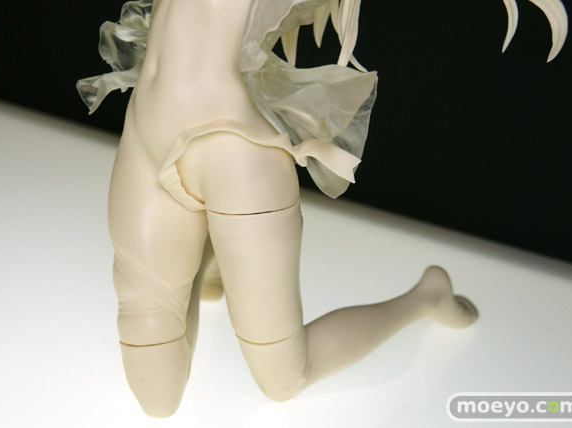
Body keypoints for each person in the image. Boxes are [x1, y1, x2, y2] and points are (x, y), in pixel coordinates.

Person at [78, 0, 478, 417]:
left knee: (285, 378)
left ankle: (428, 296)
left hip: (236, 154)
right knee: (157, 399)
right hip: (147, 131)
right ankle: (207, 251)